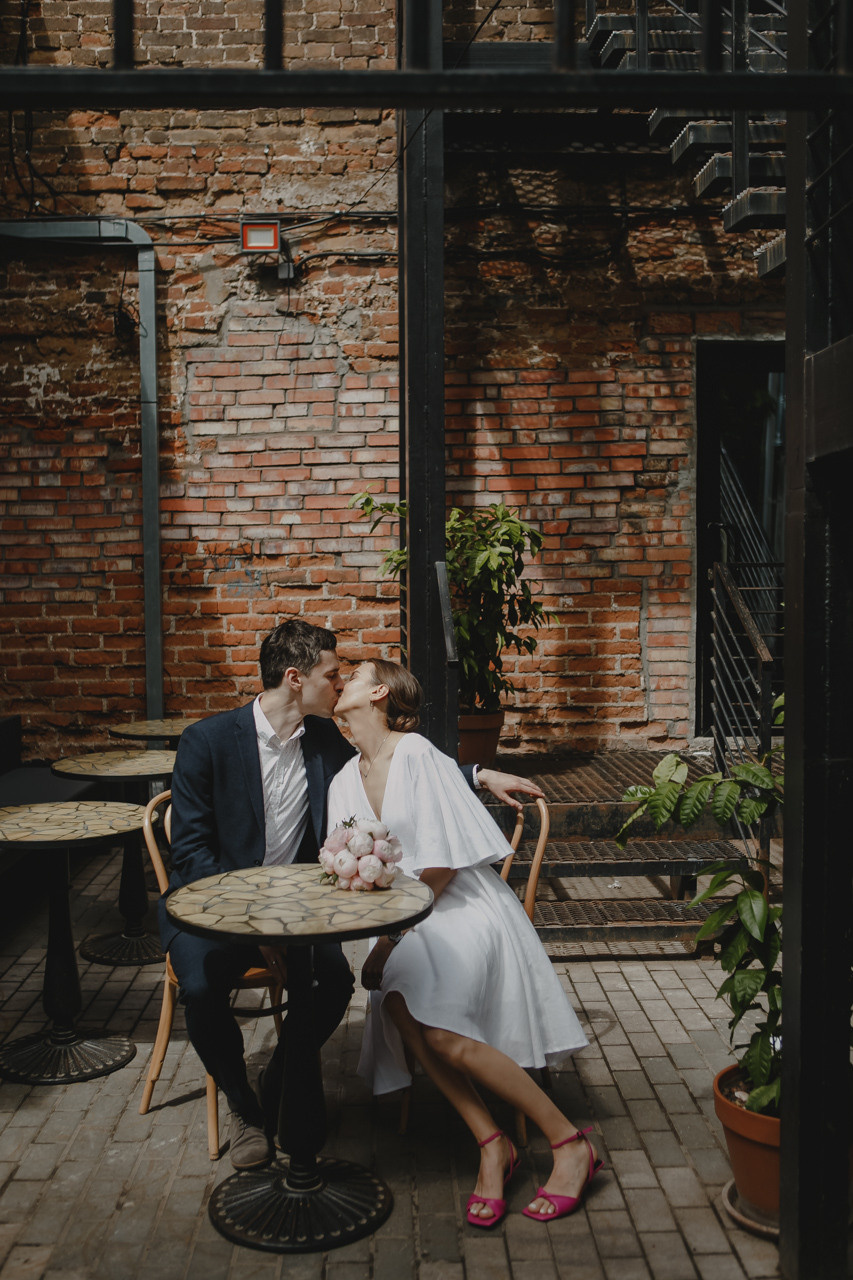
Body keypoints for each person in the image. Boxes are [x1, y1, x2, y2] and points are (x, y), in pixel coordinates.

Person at [161, 619, 546, 1171]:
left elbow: (396, 764)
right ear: (295, 679)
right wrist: (250, 923)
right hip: (216, 911)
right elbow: (193, 855)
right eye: (331, 675)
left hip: (299, 911)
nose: (339, 686)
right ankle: (245, 1108)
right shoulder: (208, 741)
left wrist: (479, 774)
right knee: (200, 987)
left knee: (334, 982)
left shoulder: (323, 741)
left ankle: (284, 1080)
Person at [328, 659, 603, 1226]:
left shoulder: (420, 754)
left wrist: (387, 941)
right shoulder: (341, 779)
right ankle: (490, 1141)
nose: (341, 681)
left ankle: (569, 1141)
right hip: (406, 919)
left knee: (439, 1030)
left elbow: (445, 863)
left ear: (379, 692)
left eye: (352, 674)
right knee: (402, 1004)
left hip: (459, 906)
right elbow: (348, 865)